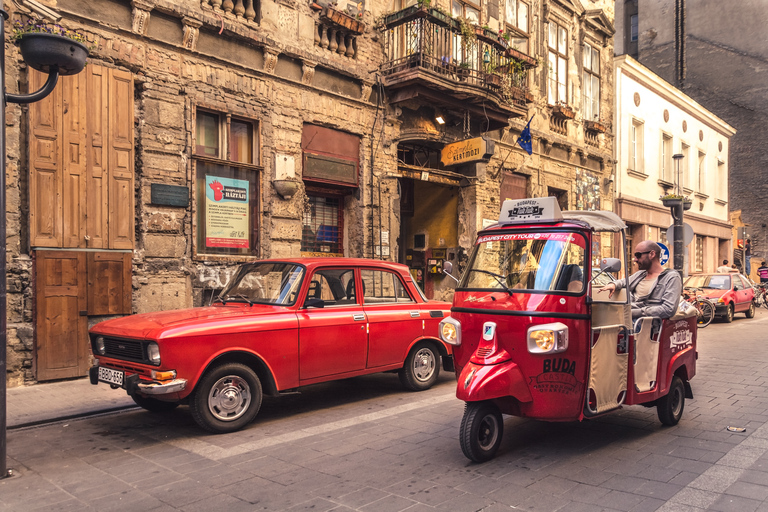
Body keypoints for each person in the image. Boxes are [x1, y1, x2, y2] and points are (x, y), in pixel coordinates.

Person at [598, 240, 682, 320]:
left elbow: (668, 309)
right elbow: (623, 282)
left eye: (638, 255)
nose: (635, 259)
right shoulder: (641, 274)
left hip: (647, 323)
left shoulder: (671, 277)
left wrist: (634, 312)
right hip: (628, 317)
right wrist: (613, 285)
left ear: (652, 254)